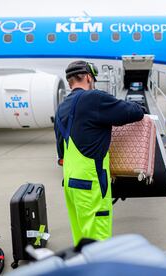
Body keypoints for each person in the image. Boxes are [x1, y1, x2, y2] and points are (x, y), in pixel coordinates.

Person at [54, 60, 144, 245]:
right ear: (88, 77)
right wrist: (139, 107)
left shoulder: (62, 107)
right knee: (99, 242)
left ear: (70, 81)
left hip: (71, 183)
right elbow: (132, 112)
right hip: (90, 184)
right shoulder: (93, 98)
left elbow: (61, 151)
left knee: (82, 239)